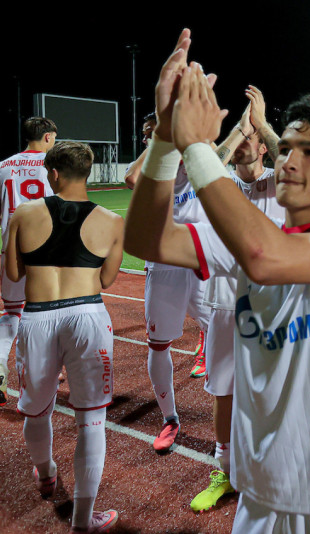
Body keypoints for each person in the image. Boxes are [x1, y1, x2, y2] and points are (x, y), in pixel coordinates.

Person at [125, 30, 310, 532]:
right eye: (285, 148)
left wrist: (196, 145)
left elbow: (265, 257)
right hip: (260, 491)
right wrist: (165, 137)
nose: (289, 159)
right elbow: (146, 238)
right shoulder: (255, 235)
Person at [6, 141, 123, 533]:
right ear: (87, 172)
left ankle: (46, 473)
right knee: (92, 419)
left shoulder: (24, 214)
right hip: (88, 315)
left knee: (36, 409)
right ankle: (83, 520)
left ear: (53, 174)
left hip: (38, 317)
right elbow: (107, 279)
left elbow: (13, 273)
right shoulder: (112, 220)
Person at [191, 89, 285, 513]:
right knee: (224, 390)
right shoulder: (222, 185)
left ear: (264, 146)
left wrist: (261, 124)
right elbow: (208, 162)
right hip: (226, 304)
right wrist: (238, 130)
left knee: (277, 389)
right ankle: (225, 471)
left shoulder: (281, 181)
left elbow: (299, 163)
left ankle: (274, 464)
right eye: (240, 136)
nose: (244, 140)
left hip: (274, 306)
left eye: (252, 137)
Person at [124, 112, 212, 453]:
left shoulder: (193, 156)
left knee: (228, 329)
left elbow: (211, 160)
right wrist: (159, 140)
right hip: (163, 263)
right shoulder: (151, 167)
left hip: (201, 257)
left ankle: (239, 404)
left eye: (156, 132)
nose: (150, 137)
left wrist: (179, 135)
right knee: (158, 344)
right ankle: (170, 418)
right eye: (147, 133)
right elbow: (131, 178)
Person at [0, 117, 57, 406]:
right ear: (47, 137)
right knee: (44, 315)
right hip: (44, 251)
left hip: (10, 248)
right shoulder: (54, 165)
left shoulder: (3, 166)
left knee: (12, 312)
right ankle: (34, 380)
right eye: (54, 137)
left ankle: (0, 365)